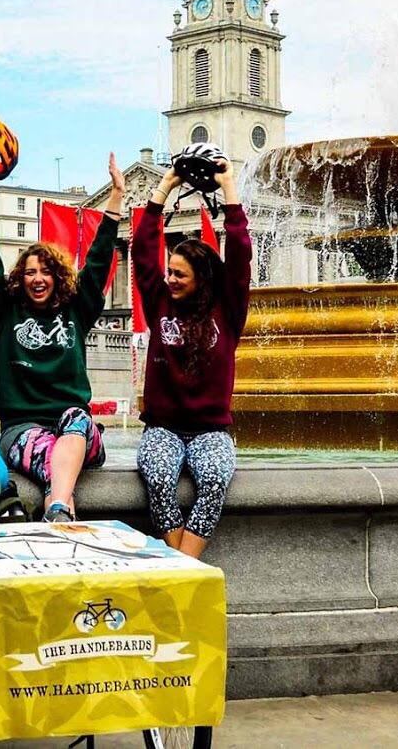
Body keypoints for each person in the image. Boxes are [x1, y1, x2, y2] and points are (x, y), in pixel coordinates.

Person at [0, 153, 125, 522]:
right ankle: (59, 512)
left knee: (76, 418)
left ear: (58, 277)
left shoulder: (76, 310)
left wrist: (116, 197)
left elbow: (98, 262)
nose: (38, 278)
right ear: (19, 278)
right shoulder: (5, 313)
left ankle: (56, 507)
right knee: (55, 466)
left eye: (46, 271)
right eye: (29, 272)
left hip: (77, 428)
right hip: (22, 430)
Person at [133, 160, 252, 558]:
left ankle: (182, 564)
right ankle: (184, 565)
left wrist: (229, 185)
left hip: (210, 431)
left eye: (179, 274)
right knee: (158, 478)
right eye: (169, 271)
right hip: (162, 428)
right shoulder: (158, 301)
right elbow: (142, 249)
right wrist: (166, 185)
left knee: (214, 480)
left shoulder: (227, 309)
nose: (170, 279)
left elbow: (240, 254)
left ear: (202, 278)